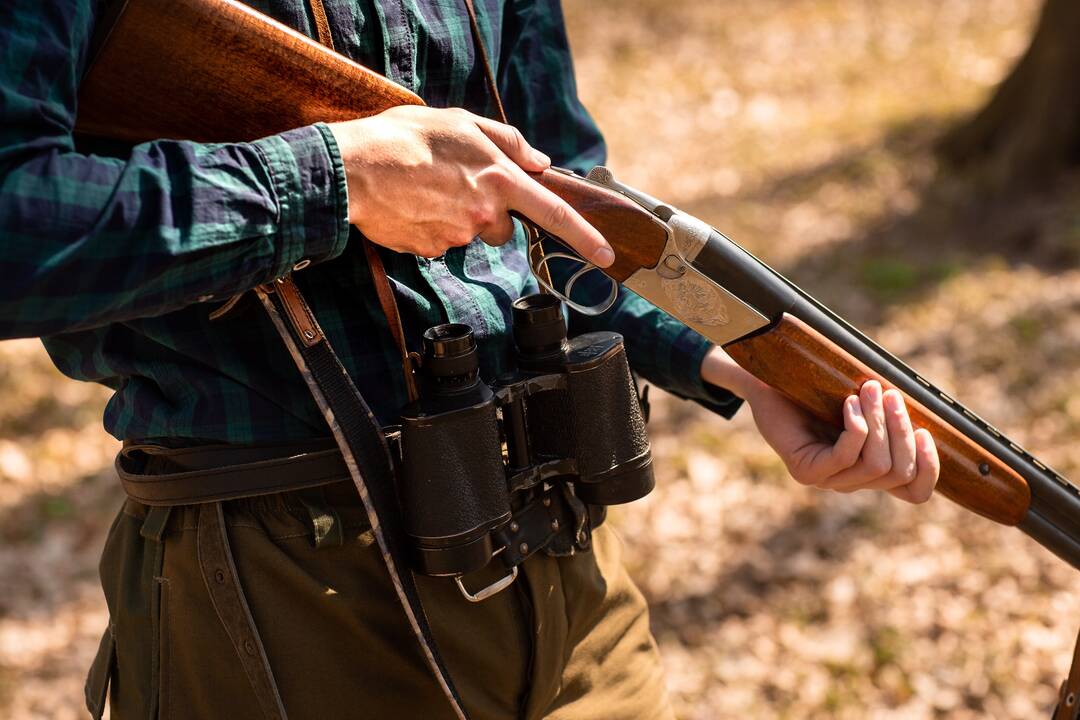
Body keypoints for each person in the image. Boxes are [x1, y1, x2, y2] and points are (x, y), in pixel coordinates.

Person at [0, 0, 940, 718]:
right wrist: (333, 183)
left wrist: (730, 362)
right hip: (289, 593)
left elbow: (565, 202)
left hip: (569, 556)